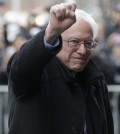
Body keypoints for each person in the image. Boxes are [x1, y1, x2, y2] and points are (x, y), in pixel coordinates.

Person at [7, 3, 114, 134]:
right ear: (56, 40)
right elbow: (22, 69)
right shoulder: (38, 70)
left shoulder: (95, 79)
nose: (82, 50)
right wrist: (51, 31)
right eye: (74, 42)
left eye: (88, 43)